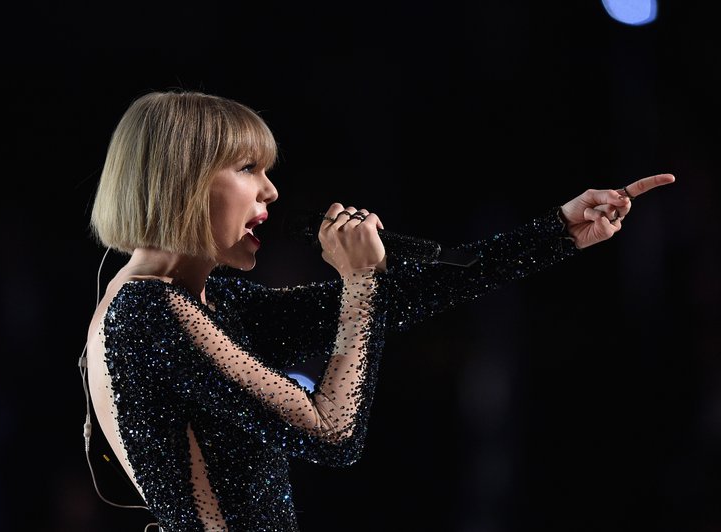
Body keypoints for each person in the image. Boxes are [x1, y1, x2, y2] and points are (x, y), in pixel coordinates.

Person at [81, 88, 675, 532]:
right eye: (247, 168)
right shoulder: (150, 310)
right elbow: (332, 433)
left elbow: (394, 302)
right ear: (180, 181)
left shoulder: (203, 298)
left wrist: (559, 232)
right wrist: (360, 280)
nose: (272, 191)